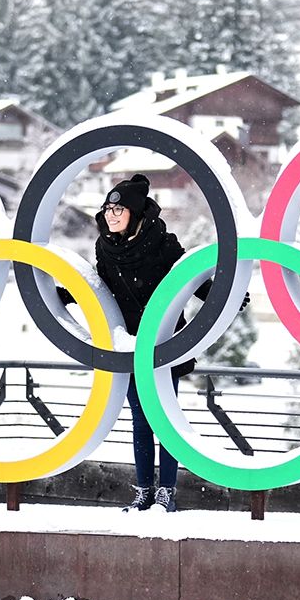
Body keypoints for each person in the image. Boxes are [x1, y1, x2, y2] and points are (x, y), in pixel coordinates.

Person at [89, 174, 219, 513]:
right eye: (107, 208)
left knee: (164, 416)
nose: (111, 215)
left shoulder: (161, 242)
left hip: (163, 345)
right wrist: (67, 296)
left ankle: (167, 491)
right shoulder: (106, 247)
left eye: (118, 209)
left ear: (135, 212)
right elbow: (99, 283)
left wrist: (217, 296)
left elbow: (186, 274)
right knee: (140, 417)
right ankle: (144, 490)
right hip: (130, 343)